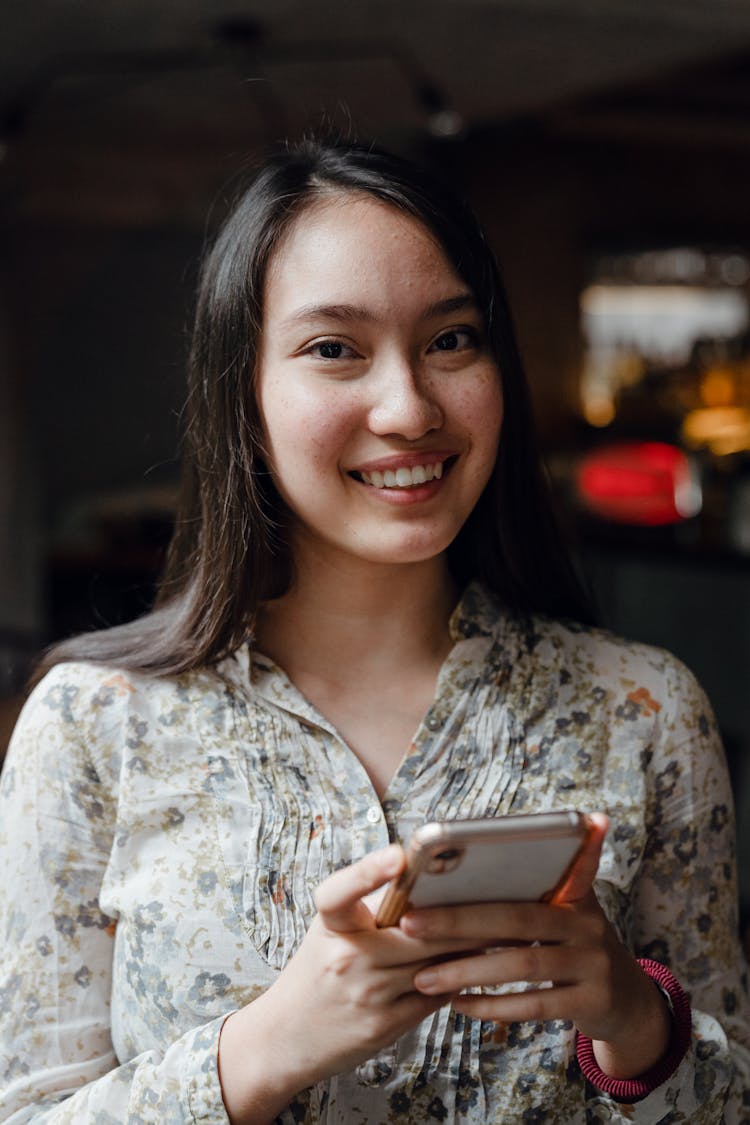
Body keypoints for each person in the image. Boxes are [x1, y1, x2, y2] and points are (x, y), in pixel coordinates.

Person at [0, 139, 747, 1125]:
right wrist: (267, 1046)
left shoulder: (642, 708)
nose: (408, 407)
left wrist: (632, 1019)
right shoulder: (95, 726)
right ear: (245, 396)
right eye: (333, 349)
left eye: (450, 341)